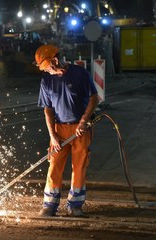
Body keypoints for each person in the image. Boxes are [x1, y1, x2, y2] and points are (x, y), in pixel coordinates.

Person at [35, 45, 99, 217]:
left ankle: (75, 205)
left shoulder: (80, 74)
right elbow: (47, 110)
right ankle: (50, 204)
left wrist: (84, 121)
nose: (47, 71)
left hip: (81, 129)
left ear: (56, 60)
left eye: (48, 67)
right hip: (59, 130)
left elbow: (94, 98)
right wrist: (52, 135)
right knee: (54, 166)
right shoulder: (46, 81)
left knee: (79, 166)